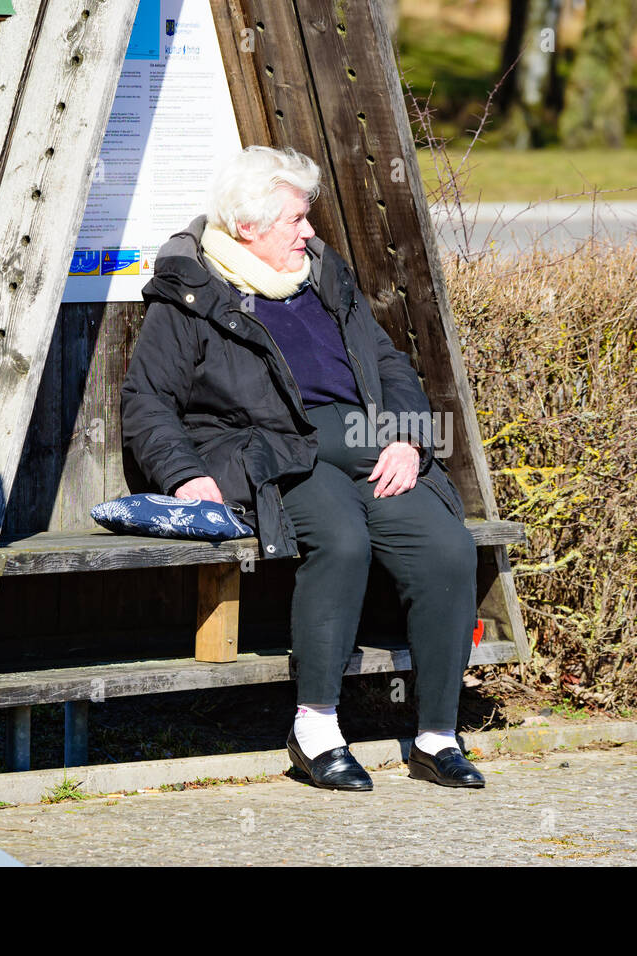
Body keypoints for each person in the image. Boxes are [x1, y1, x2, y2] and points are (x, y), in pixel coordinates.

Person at [121, 145, 485, 791]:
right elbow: (147, 401)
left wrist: (406, 438)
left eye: (307, 218)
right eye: (296, 220)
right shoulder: (192, 293)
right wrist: (184, 477)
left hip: (362, 443)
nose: (310, 231)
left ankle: (436, 736)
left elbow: (390, 364)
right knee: (341, 543)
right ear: (248, 228)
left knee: (447, 548)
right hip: (268, 457)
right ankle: (315, 729)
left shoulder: (322, 276)